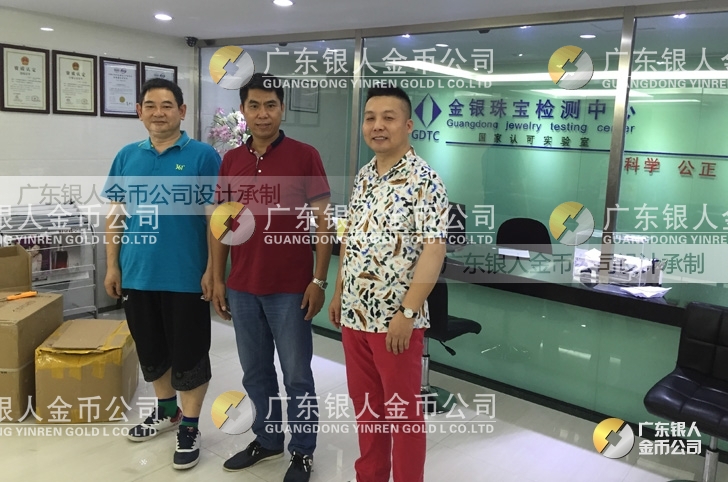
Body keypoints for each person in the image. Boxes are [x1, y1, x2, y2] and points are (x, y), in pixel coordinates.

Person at [211, 73, 332, 482]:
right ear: (243, 111)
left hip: (290, 289)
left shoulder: (304, 156)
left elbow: (323, 223)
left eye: (270, 105)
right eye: (254, 106)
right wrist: (217, 276)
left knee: (297, 375)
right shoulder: (231, 160)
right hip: (243, 287)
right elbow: (222, 224)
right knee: (255, 372)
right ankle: (267, 439)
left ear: (282, 109)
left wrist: (319, 280)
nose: (262, 114)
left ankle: (302, 451)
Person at [328, 86, 448, 482]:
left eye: (388, 118)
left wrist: (407, 313)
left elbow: (434, 251)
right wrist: (339, 291)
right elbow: (351, 239)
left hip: (395, 322)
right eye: (370, 118)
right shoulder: (364, 176)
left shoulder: (425, 180)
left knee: (403, 414)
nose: (377, 126)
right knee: (367, 409)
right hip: (355, 315)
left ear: (408, 125)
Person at [103, 78, 220, 470]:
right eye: (150, 106)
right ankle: (167, 411)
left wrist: (213, 269)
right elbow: (115, 215)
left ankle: (190, 426)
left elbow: (216, 219)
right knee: (151, 350)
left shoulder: (203, 156)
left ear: (182, 112)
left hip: (186, 275)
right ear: (139, 112)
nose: (158, 113)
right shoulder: (126, 156)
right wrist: (113, 264)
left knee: (190, 353)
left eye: (167, 105)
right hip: (137, 273)